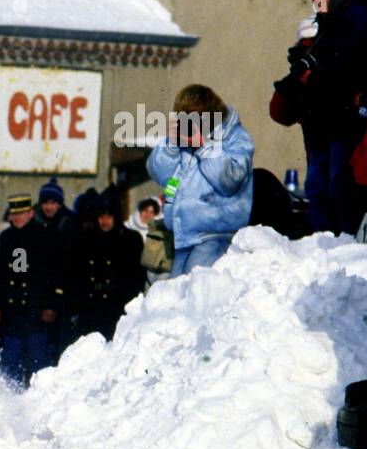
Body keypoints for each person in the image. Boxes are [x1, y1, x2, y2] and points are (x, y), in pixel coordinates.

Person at [281, 0, 367, 235]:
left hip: (345, 122)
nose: (315, 0)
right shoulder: (332, 20)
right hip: (324, 121)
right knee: (319, 187)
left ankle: (339, 241)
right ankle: (323, 241)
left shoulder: (359, 17)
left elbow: (348, 66)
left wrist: (315, 75)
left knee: (337, 187)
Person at [147, 84, 254, 277]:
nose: (189, 122)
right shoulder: (183, 139)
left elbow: (230, 181)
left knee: (194, 292)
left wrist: (205, 146)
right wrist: (171, 144)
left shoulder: (235, 137)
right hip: (182, 236)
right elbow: (161, 175)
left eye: (194, 117)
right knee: (176, 296)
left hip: (214, 236)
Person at [0, 193, 63, 388]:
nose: (18, 218)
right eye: (14, 214)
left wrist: (51, 305)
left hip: (36, 312)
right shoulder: (6, 238)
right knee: (10, 368)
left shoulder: (46, 237)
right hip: (12, 313)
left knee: (37, 366)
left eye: (22, 214)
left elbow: (55, 274)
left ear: (31, 213)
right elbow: (0, 274)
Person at [67, 189, 145, 341]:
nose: (104, 221)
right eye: (101, 217)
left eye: (108, 217)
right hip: (91, 307)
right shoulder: (85, 240)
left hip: (118, 306)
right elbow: (76, 274)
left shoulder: (129, 240)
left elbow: (136, 275)